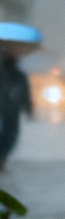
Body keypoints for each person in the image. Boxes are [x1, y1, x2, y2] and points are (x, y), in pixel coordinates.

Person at [0, 30, 37, 173]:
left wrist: (29, 110)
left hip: (11, 108)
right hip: (7, 106)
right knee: (9, 135)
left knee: (11, 135)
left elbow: (24, 93)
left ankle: (2, 158)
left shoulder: (19, 75)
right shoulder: (8, 72)